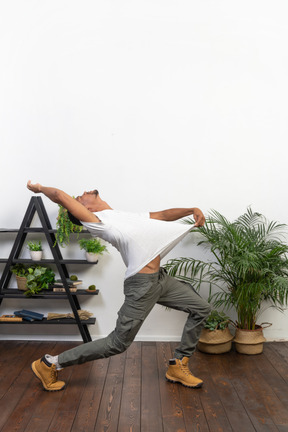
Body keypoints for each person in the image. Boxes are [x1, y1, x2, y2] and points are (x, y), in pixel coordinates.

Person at [27, 180, 211, 392]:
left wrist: (191, 210)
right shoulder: (98, 222)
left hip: (160, 280)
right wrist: (40, 189)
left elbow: (160, 216)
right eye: (78, 197)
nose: (83, 191)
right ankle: (50, 363)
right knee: (118, 343)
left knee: (201, 309)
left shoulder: (121, 216)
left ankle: (179, 365)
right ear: (84, 210)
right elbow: (60, 196)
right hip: (141, 286)